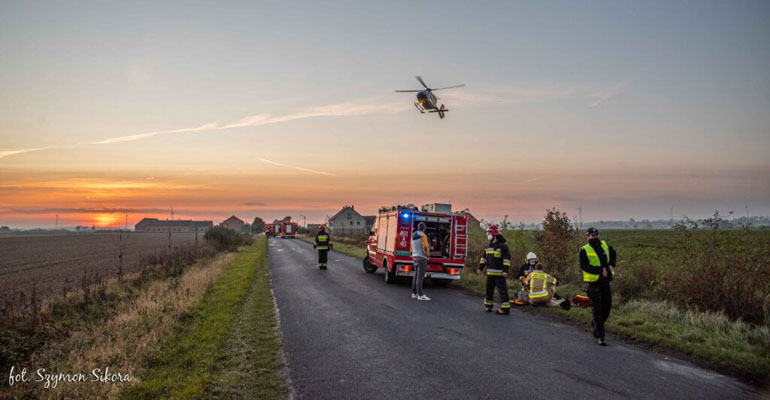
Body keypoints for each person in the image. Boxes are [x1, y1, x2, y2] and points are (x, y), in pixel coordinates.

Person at [579, 227, 616, 346]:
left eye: (596, 235)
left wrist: (611, 265)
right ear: (588, 237)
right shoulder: (584, 249)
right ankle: (601, 336)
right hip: (593, 283)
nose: (594, 237)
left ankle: (596, 324)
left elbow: (613, 253)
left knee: (607, 307)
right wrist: (600, 270)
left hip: (605, 281)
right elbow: (584, 266)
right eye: (592, 236)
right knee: (597, 309)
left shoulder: (605, 245)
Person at [475, 225, 512, 315]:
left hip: (500, 274)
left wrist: (505, 271)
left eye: (489, 233)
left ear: (495, 234)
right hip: (490, 274)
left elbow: (506, 260)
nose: (488, 235)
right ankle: (488, 305)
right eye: (488, 233)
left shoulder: (503, 246)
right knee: (489, 290)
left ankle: (505, 308)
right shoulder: (488, 246)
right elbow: (484, 259)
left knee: (502, 291)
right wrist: (480, 268)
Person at [411, 222, 431, 301]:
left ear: (418, 227)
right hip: (422, 258)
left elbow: (411, 247)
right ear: (424, 228)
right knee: (420, 277)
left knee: (416, 275)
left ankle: (414, 293)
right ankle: (420, 294)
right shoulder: (423, 235)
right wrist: (427, 254)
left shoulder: (413, 235)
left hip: (415, 257)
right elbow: (425, 247)